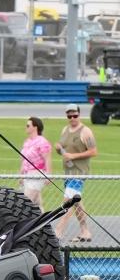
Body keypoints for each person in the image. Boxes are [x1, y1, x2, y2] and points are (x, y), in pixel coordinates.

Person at [54, 104, 98, 243]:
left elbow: (93, 151)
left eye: (75, 115)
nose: (72, 118)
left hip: (79, 171)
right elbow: (64, 149)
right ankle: (85, 231)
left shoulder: (86, 131)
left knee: (68, 200)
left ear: (79, 114)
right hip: (67, 171)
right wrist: (59, 149)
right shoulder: (65, 130)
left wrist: (73, 156)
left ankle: (58, 231)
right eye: (69, 115)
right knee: (76, 203)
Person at [20, 115, 52, 210]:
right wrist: (21, 175)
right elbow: (24, 159)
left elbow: (47, 159)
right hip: (27, 174)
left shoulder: (42, 142)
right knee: (37, 204)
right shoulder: (27, 142)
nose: (26, 127)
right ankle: (44, 223)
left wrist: (48, 175)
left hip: (37, 174)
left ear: (35, 127)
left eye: (28, 125)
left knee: (26, 201)